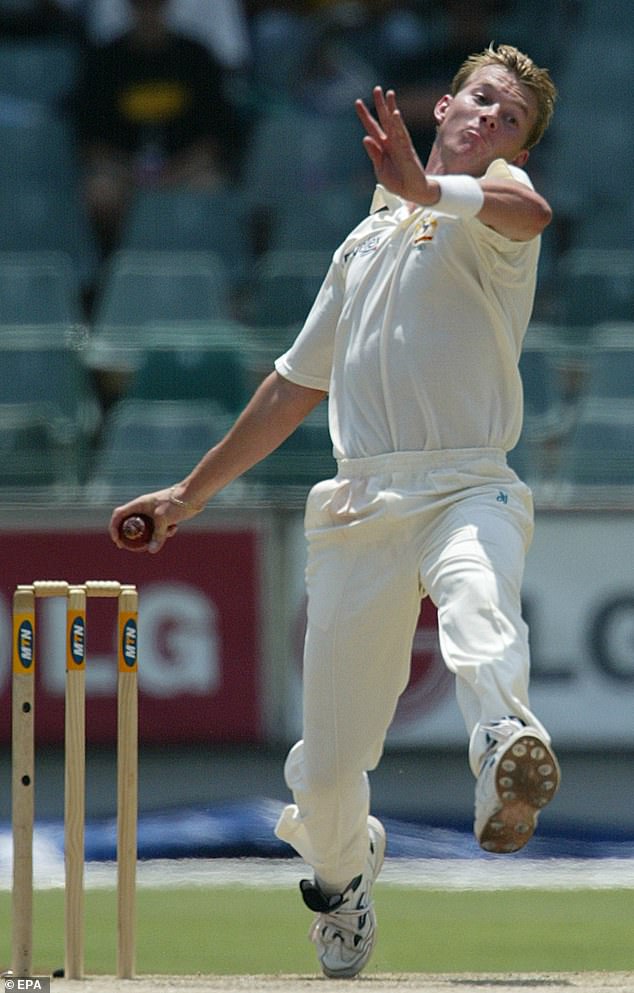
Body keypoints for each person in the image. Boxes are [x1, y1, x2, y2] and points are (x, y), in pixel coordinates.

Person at [110, 43, 561, 978]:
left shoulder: (493, 206)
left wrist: (434, 193)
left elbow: (532, 211)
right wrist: (189, 493)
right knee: (325, 773)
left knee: (480, 595)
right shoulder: (362, 240)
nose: (489, 120)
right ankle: (340, 885)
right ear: (444, 105)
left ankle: (505, 748)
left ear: (516, 143)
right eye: (480, 100)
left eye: (509, 117)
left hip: (467, 479)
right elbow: (291, 386)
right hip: (359, 504)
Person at [72, 0, 240, 258]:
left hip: (183, 171)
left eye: (155, 6)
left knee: (210, 188)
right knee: (100, 193)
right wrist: (133, 174)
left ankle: (207, 272)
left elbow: (215, 140)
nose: (149, 13)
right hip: (123, 174)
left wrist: (172, 175)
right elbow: (92, 144)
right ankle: (111, 271)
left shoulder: (196, 57)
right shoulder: (105, 61)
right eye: (142, 6)